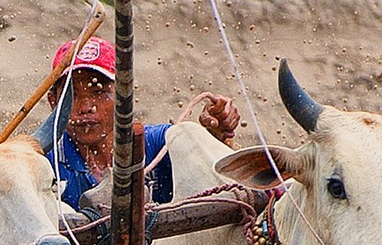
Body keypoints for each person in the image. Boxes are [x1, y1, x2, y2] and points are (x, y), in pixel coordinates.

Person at [44, 37, 240, 213]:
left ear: (123, 95)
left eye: (98, 92)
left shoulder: (159, 145)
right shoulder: (46, 165)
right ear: (54, 101)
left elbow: (213, 173)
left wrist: (218, 136)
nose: (86, 107)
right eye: (72, 95)